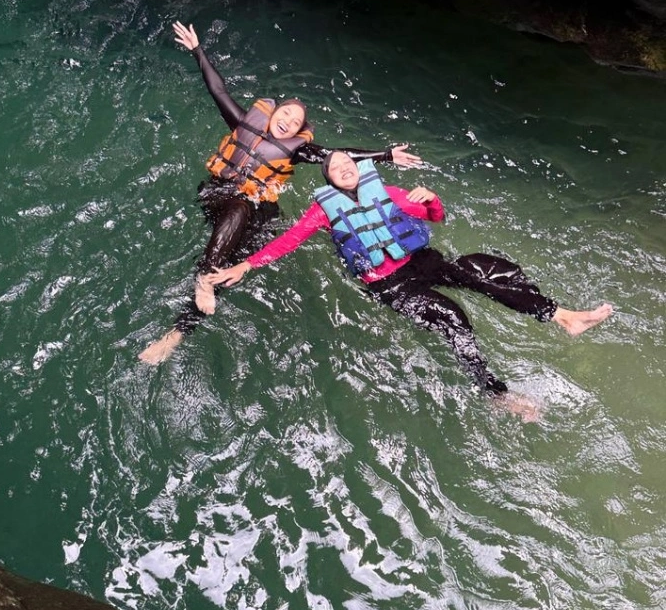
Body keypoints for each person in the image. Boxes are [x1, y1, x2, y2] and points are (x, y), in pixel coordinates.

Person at [202, 152, 614, 419]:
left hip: (421, 260)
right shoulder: (322, 211)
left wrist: (431, 198)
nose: (343, 167)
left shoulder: (389, 192)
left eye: (347, 162)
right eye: (335, 167)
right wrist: (247, 264)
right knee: (452, 318)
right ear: (330, 179)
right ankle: (495, 394)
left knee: (480, 274)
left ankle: (563, 316)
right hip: (390, 285)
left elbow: (435, 217)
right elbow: (290, 240)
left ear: (357, 168)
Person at [139, 26, 422, 364]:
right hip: (221, 197)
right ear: (272, 113)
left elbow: (338, 153)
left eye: (296, 121)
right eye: (285, 113)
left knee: (233, 269)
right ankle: (204, 275)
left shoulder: (296, 151)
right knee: (238, 211)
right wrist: (198, 50)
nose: (288, 120)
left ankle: (176, 334)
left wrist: (385, 155)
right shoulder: (242, 122)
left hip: (256, 210)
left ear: (299, 132)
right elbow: (217, 88)